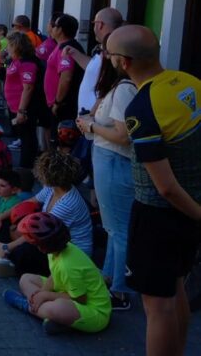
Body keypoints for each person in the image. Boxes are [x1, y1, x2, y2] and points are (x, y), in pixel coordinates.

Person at [109, 25, 201, 356]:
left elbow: (165, 187)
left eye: (110, 55)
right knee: (175, 290)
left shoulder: (141, 108)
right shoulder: (190, 82)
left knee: (156, 308)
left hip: (159, 216)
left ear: (123, 62)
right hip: (190, 209)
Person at [75, 45, 137, 311]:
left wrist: (90, 125)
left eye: (108, 52)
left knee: (119, 229)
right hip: (108, 161)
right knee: (113, 227)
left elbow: (124, 135)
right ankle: (110, 278)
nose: (104, 57)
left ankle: (119, 291)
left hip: (114, 162)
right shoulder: (118, 87)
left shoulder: (124, 89)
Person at [4, 212, 111, 336]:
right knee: (25, 279)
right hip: (67, 293)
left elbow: (80, 299)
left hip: (95, 313)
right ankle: (55, 318)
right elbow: (54, 274)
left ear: (42, 247)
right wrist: (41, 294)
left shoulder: (67, 266)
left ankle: (27, 306)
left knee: (56, 307)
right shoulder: (59, 248)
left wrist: (46, 296)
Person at [0, 150, 93, 278]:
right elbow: (29, 202)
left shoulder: (67, 204)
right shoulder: (52, 188)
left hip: (69, 251)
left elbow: (40, 235)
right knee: (1, 226)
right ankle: (5, 256)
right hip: (49, 236)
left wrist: (7, 247)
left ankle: (6, 256)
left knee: (24, 250)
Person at [4, 32, 47, 170]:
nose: (7, 48)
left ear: (17, 46)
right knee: (24, 136)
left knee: (28, 137)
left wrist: (21, 111)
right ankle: (26, 165)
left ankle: (26, 168)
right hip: (16, 106)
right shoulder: (17, 60)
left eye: (9, 45)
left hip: (26, 108)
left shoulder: (28, 63)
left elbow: (28, 88)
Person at [45, 14, 85, 124]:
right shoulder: (61, 46)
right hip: (58, 103)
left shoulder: (67, 48)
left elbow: (66, 78)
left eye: (54, 25)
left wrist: (58, 102)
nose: (51, 28)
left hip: (63, 105)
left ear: (60, 30)